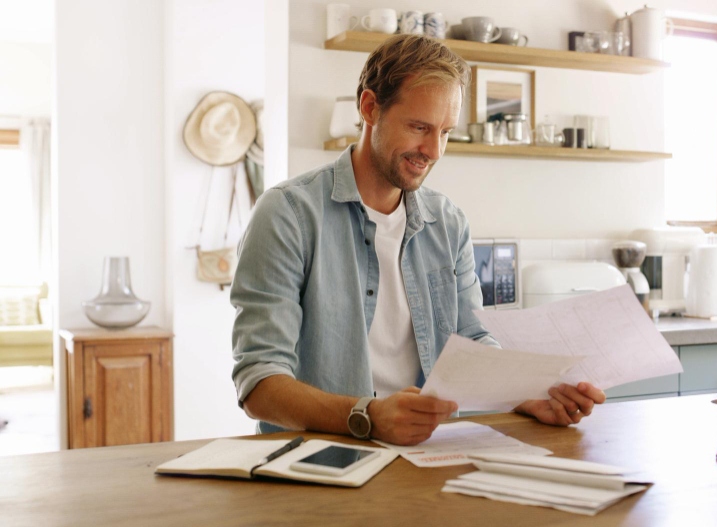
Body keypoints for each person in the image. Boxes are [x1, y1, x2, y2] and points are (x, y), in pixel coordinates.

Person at [230, 34, 605, 446]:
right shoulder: (288, 215)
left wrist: (527, 394)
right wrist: (368, 417)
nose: (434, 150)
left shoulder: (448, 223)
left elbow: (471, 343)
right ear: (370, 107)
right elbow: (259, 382)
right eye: (419, 127)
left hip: (428, 456)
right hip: (318, 462)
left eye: (445, 132)